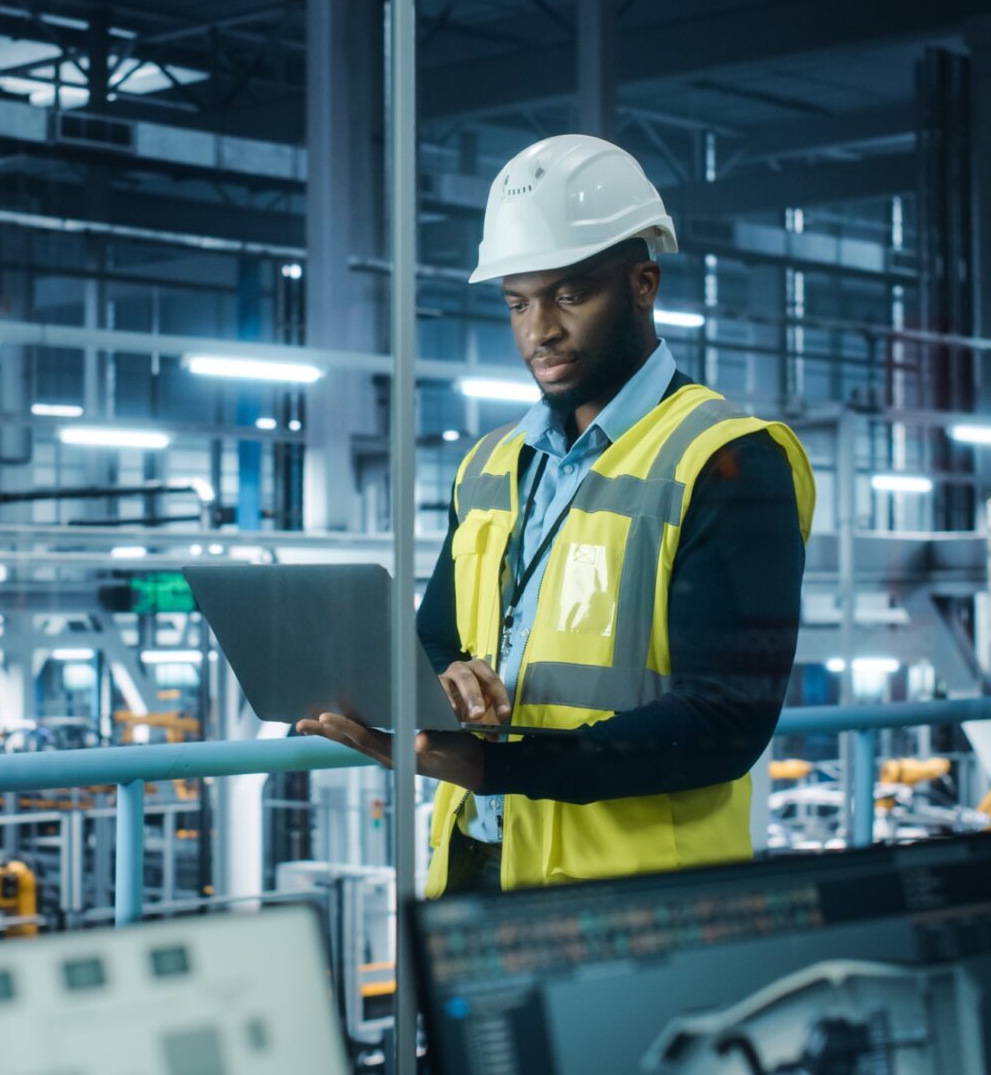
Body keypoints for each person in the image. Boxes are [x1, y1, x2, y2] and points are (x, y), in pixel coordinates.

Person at [298, 135, 815, 895]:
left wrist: (491, 764)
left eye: (569, 295)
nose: (538, 330)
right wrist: (445, 681)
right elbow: (436, 635)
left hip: (636, 897)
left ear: (642, 283)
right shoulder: (490, 465)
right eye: (517, 302)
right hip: (479, 866)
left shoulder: (727, 461)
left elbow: (722, 724)